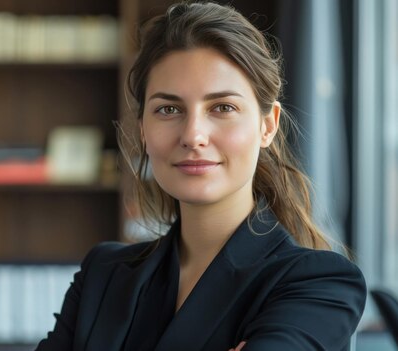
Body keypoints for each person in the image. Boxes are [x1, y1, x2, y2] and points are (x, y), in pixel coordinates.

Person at [36, 1, 367, 350]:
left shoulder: (319, 285)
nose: (193, 135)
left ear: (267, 126)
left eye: (222, 108)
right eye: (168, 109)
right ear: (144, 131)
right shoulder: (101, 276)